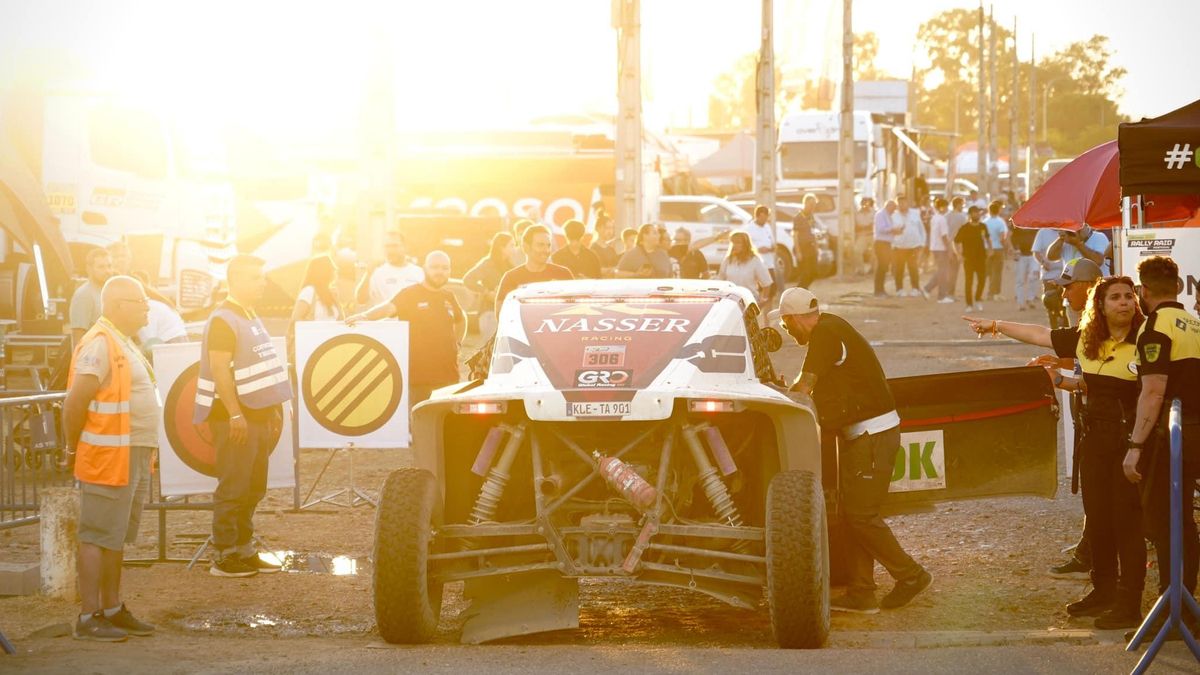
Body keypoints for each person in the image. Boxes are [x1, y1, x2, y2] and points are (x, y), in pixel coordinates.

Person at [964, 275, 1146, 628]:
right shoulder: (1086, 338)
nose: (1124, 303)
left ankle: (1130, 603)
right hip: (1094, 438)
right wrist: (995, 326)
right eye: (1115, 298)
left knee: (1127, 524)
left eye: (1129, 297)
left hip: (1129, 440)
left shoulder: (1146, 338)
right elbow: (1039, 334)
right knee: (1098, 519)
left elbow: (1132, 387)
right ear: (1101, 305)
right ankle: (1104, 591)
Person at [774, 287, 932, 613]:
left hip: (870, 436)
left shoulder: (825, 333)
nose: (787, 332)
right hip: (865, 434)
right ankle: (862, 593)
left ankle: (911, 575)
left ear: (793, 317)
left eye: (786, 325)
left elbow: (805, 385)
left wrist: (777, 396)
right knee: (854, 515)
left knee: (861, 516)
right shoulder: (832, 327)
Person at [62, 276, 158, 641]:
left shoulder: (123, 342)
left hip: (128, 453)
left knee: (114, 536)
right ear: (119, 304)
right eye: (141, 301)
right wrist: (72, 449)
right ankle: (89, 616)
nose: (147, 307)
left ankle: (112, 608)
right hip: (107, 455)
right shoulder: (100, 344)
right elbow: (74, 402)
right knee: (97, 535)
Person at [194, 256, 292, 578]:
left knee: (252, 488)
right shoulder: (224, 319)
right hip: (236, 418)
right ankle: (224, 556)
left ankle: (244, 549)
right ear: (234, 281)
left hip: (257, 417)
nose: (262, 283)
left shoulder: (248, 315)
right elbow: (220, 369)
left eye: (262, 277)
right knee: (234, 487)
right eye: (255, 278)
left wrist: (271, 410)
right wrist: (236, 415)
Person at [1124, 256, 1200, 615]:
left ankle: (1174, 609)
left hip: (1174, 437)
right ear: (1179, 287)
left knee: (1167, 521)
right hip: (1193, 432)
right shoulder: (1194, 322)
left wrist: (1135, 446)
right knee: (1184, 520)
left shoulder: (1155, 326)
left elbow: (1153, 391)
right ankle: (1182, 605)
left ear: (1143, 290)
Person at [347, 251, 466, 406]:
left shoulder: (448, 296)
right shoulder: (410, 294)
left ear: (450, 270)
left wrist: (457, 344)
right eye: (435, 267)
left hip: (449, 376)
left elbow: (461, 319)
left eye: (445, 268)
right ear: (425, 269)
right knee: (419, 424)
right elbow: (387, 308)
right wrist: (364, 316)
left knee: (448, 423)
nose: (440, 272)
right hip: (420, 378)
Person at [494, 225, 574, 315]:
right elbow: (500, 313)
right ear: (525, 247)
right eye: (540, 245)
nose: (546, 250)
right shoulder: (511, 278)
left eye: (548, 245)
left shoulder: (563, 274)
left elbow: (576, 308)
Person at [355, 230, 424, 309]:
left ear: (405, 247)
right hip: (385, 321)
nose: (390, 250)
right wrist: (368, 274)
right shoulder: (376, 272)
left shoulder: (419, 272)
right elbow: (360, 300)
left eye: (395, 246)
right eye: (387, 246)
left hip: (411, 321)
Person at [464, 231, 517, 333]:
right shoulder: (487, 264)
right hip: (490, 314)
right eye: (511, 245)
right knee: (491, 348)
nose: (514, 248)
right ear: (502, 248)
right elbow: (468, 279)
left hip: (507, 315)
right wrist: (487, 292)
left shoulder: (509, 265)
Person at [69, 249, 113, 344]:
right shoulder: (84, 295)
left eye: (109, 266)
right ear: (89, 269)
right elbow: (78, 335)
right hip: (92, 356)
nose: (107, 271)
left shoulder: (107, 292)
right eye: (101, 267)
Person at [718, 231, 772, 306]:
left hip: (749, 303)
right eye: (733, 242)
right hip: (729, 303)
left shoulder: (755, 260)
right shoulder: (728, 260)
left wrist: (762, 301)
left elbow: (767, 283)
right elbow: (720, 281)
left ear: (745, 244)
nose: (734, 245)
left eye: (738, 243)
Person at [954, 206, 990, 311]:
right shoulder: (964, 228)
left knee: (982, 280)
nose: (977, 214)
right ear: (970, 214)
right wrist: (958, 254)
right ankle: (969, 304)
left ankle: (978, 299)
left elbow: (988, 238)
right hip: (968, 258)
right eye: (974, 213)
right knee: (968, 282)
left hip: (981, 258)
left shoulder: (983, 226)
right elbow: (955, 241)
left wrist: (990, 249)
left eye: (978, 213)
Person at [891, 195, 926, 297]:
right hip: (899, 247)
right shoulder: (893, 216)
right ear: (897, 204)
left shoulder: (915, 214)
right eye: (900, 203)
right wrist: (892, 245)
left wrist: (922, 243)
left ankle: (915, 288)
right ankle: (899, 289)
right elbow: (891, 232)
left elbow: (921, 229)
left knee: (913, 268)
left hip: (913, 246)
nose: (902, 205)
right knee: (899, 269)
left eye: (904, 202)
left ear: (907, 203)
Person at [291, 255, 344, 323]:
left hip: (332, 333)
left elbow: (341, 320)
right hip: (315, 333)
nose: (335, 272)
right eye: (332, 269)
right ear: (324, 272)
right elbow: (296, 318)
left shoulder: (331, 292)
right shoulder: (309, 291)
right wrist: (316, 329)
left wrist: (337, 301)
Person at [921, 198, 955, 303]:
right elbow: (944, 236)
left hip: (935, 247)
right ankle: (940, 295)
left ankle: (929, 289)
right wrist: (949, 249)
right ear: (942, 207)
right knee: (943, 272)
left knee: (941, 271)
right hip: (941, 248)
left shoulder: (934, 218)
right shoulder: (942, 219)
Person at [1033, 227, 1067, 328]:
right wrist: (1043, 262)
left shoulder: (1068, 232)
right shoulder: (1043, 232)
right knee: (1051, 302)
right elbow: (1036, 252)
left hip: (1066, 275)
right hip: (1049, 275)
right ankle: (1054, 329)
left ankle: (1066, 327)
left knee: (1065, 304)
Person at [873, 200, 901, 297]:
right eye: (893, 208)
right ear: (889, 206)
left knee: (884, 267)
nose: (894, 211)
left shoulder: (889, 215)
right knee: (881, 267)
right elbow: (881, 229)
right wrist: (893, 229)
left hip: (887, 243)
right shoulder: (880, 214)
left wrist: (896, 231)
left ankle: (881, 289)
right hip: (881, 243)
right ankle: (878, 290)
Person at [983, 201, 1009, 301]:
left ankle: (989, 292)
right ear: (998, 210)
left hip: (987, 249)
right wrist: (1005, 247)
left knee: (989, 272)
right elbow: (1002, 237)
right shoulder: (1000, 222)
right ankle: (996, 293)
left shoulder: (985, 221)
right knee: (997, 272)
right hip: (998, 248)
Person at [789, 199, 817, 289]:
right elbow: (795, 235)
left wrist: (817, 247)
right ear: (805, 203)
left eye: (814, 204)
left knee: (813, 272)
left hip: (811, 248)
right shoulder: (798, 217)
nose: (812, 206)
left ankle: (803, 289)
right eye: (810, 204)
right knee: (805, 273)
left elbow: (813, 232)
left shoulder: (811, 217)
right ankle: (799, 290)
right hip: (802, 248)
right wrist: (798, 252)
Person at [1012, 225, 1040, 311]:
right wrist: (1014, 250)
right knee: (1020, 280)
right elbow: (1012, 238)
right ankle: (1020, 303)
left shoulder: (1035, 226)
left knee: (1034, 277)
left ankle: (1030, 299)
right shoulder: (1017, 225)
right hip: (1021, 256)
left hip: (1033, 255)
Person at [945, 197, 968, 298]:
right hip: (957, 246)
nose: (963, 206)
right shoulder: (962, 217)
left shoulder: (946, 216)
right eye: (962, 204)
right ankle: (950, 293)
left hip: (946, 245)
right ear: (958, 204)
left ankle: (947, 292)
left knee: (948, 270)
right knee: (954, 271)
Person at [853, 197, 876, 276]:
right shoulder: (857, 214)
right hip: (862, 235)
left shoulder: (874, 213)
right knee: (856, 250)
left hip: (872, 234)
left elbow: (873, 225)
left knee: (875, 252)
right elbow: (856, 225)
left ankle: (873, 268)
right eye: (864, 203)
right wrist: (865, 227)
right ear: (861, 203)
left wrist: (864, 227)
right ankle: (860, 270)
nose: (865, 205)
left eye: (867, 203)